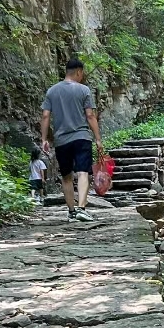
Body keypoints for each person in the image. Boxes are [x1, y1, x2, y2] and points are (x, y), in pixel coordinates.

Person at [41, 56, 103, 222]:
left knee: (66, 176)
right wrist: (98, 139)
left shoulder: (52, 91)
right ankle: (82, 208)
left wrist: (44, 139)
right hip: (81, 137)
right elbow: (90, 115)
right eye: (82, 74)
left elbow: (45, 115)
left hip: (61, 140)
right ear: (79, 72)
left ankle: (71, 212)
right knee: (83, 173)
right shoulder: (84, 90)